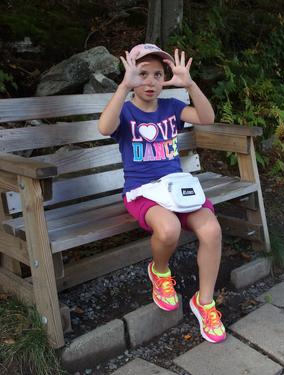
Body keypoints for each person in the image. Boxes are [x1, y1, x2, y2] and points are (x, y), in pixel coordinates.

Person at [98, 43, 226, 343]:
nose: (150, 81)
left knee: (211, 230)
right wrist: (122, 88)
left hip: (177, 187)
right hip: (142, 191)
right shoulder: (126, 110)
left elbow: (207, 118)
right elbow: (105, 128)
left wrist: (190, 83)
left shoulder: (172, 107)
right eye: (142, 74)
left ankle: (204, 303)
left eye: (158, 74)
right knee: (168, 229)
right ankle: (160, 271)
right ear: (131, 76)